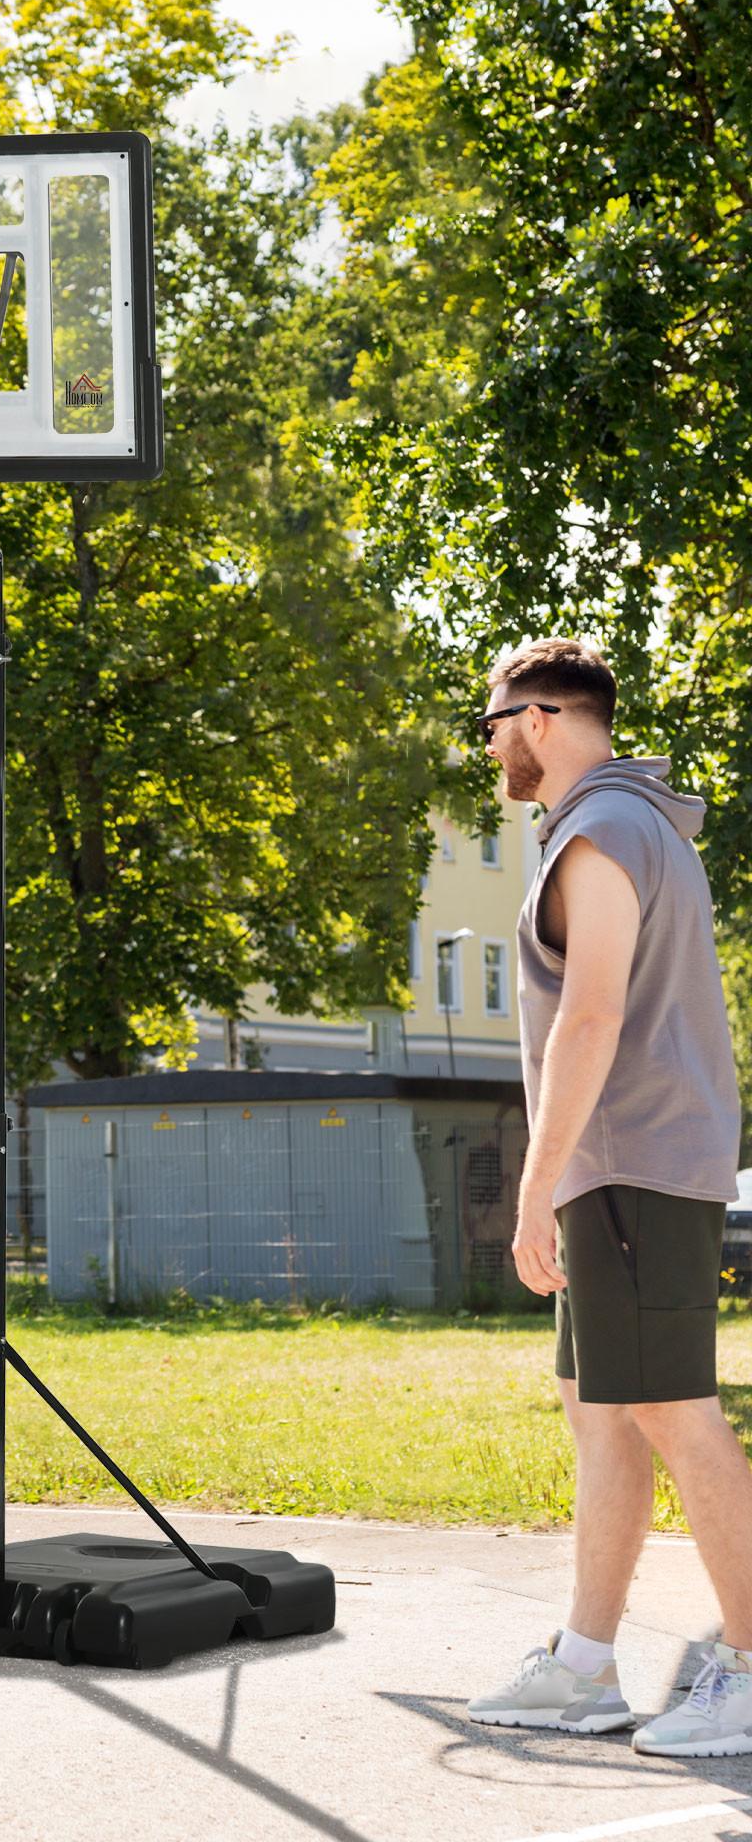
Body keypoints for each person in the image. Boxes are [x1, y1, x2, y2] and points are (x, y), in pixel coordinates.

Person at [466, 638, 752, 1757]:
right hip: (618, 1164)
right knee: (605, 1414)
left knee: (673, 1413)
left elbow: (590, 1018)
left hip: (627, 1159)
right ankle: (583, 1663)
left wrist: (531, 1189)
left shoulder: (600, 830)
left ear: (536, 717)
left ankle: (745, 1664)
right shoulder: (636, 826)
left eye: (486, 724)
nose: (485, 745)